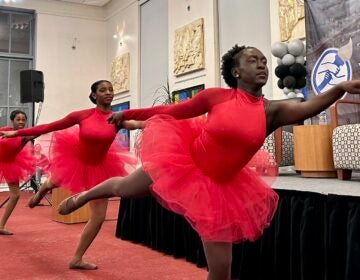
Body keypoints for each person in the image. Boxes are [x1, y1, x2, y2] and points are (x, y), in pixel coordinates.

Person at [10, 46, 360, 279]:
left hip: (222, 187)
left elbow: (309, 107)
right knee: (128, 188)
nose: (262, 64)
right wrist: (127, 114)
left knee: (221, 268)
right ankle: (83, 196)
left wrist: (340, 87)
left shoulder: (273, 110)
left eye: (264, 61)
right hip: (186, 161)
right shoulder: (216, 96)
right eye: (252, 60)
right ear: (236, 71)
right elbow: (169, 112)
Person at [0, 80, 138, 269]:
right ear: (94, 95)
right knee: (53, 183)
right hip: (77, 161)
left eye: (111, 90)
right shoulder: (82, 115)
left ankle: (77, 258)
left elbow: (137, 123)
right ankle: (42, 189)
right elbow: (50, 127)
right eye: (103, 90)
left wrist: (164, 120)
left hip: (102, 167)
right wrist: (17, 134)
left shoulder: (118, 119)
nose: (108, 93)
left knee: (98, 216)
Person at [0, 110, 35, 235]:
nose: (21, 122)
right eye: (18, 119)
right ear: (12, 120)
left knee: (15, 195)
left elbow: (38, 132)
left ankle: (1, 225)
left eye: (23, 120)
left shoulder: (25, 136)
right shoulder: (5, 129)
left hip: (9, 165)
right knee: (15, 195)